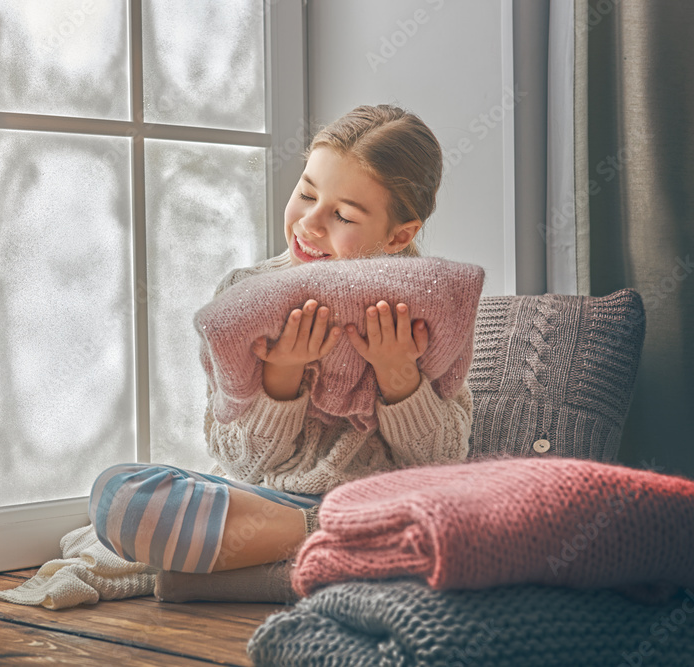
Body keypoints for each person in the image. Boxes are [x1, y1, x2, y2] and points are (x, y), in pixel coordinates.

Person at [89, 104, 473, 578]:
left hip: (383, 501)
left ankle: (332, 541)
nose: (310, 224)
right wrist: (281, 377)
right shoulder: (245, 296)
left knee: (456, 510)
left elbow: (444, 460)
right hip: (271, 503)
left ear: (399, 236)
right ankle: (344, 540)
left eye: (344, 216)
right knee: (119, 495)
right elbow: (239, 460)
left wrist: (400, 377)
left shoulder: (425, 308)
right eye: (306, 193)